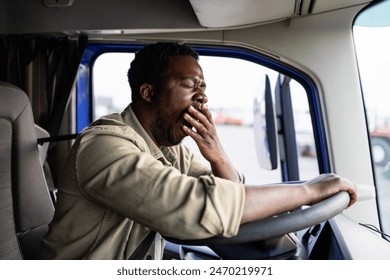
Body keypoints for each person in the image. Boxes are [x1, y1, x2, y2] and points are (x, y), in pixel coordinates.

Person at [40, 42, 357, 260]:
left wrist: (217, 154)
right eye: (191, 86)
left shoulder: (170, 150)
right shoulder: (104, 146)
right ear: (148, 93)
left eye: (203, 89)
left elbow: (232, 195)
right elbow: (196, 207)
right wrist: (312, 190)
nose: (202, 99)